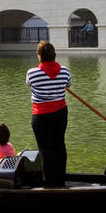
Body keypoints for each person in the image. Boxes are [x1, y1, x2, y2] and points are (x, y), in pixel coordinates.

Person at [26, 41, 71, 187]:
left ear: (39, 56)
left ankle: (50, 182)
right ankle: (60, 179)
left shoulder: (32, 73)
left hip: (41, 115)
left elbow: (29, 83)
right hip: (60, 113)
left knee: (45, 149)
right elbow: (68, 84)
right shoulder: (65, 71)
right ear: (54, 54)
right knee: (59, 145)